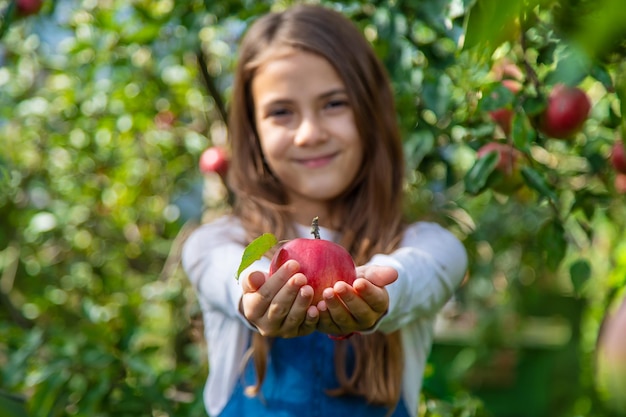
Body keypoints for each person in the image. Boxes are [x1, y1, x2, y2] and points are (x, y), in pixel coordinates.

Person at [181, 4, 468, 417]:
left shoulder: (428, 244)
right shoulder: (215, 242)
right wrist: (255, 293)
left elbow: (418, 273)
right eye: (282, 112)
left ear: (370, 112)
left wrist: (380, 293)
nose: (310, 133)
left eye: (334, 104)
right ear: (254, 131)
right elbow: (230, 277)